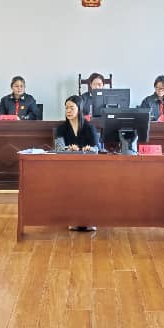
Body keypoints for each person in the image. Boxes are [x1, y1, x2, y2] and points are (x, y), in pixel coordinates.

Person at [54, 96, 99, 232]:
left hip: (88, 167)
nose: (68, 110)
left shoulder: (89, 127)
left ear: (79, 109)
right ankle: (72, 219)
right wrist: (69, 149)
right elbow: (59, 149)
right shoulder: (61, 128)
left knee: (89, 186)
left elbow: (97, 149)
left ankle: (89, 220)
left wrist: (89, 149)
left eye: (71, 108)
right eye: (66, 108)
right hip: (68, 167)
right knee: (71, 186)